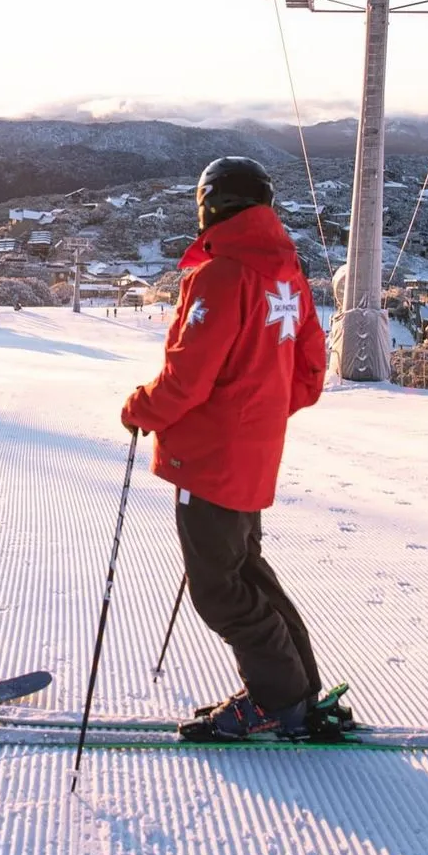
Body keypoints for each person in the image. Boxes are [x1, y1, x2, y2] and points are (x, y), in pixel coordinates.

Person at [120, 157, 327, 740]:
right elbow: (311, 371)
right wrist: (259, 412)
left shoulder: (220, 274)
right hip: (254, 450)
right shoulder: (287, 274)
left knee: (219, 589)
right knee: (246, 570)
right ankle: (298, 688)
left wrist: (140, 408)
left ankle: (276, 699)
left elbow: (188, 379)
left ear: (208, 204)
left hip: (210, 459)